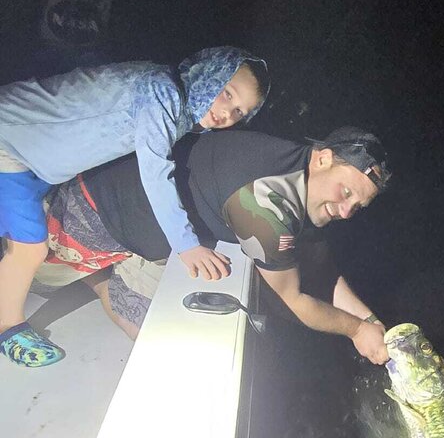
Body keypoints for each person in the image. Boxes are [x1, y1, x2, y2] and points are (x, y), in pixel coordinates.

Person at [0, 46, 270, 367]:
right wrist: (186, 245)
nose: (227, 113)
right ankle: (7, 326)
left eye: (239, 112)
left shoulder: (179, 110)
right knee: (30, 248)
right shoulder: (161, 93)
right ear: (209, 72)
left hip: (34, 161)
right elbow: (156, 174)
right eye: (227, 94)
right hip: (10, 141)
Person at [38, 127, 391, 364]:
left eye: (357, 205)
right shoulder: (268, 202)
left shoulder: (305, 175)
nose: (346, 211)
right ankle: (97, 277)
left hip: (161, 228)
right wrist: (356, 330)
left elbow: (320, 265)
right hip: (96, 211)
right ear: (323, 158)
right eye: (346, 192)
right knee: (124, 317)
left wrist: (371, 321)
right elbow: (291, 300)